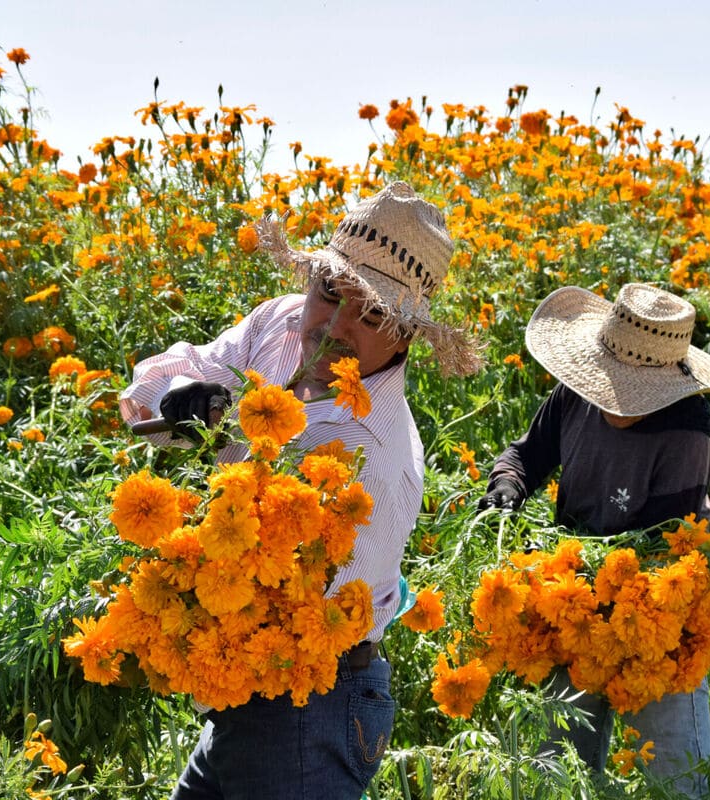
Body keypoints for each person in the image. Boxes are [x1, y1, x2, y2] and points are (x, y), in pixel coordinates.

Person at [119, 181, 482, 800]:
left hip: (308, 699)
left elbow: (291, 607)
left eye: (370, 313)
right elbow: (157, 383)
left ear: (407, 335)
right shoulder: (284, 321)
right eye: (329, 292)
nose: (336, 324)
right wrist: (175, 402)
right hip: (258, 693)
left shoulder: (370, 452)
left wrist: (169, 600)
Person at [478, 283, 710, 798]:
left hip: (656, 616)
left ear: (666, 389)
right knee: (551, 773)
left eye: (631, 394)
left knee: (676, 776)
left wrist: (593, 599)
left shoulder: (687, 436)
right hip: (572, 600)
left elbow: (660, 549)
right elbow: (525, 455)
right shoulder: (574, 393)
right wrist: (506, 490)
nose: (614, 402)